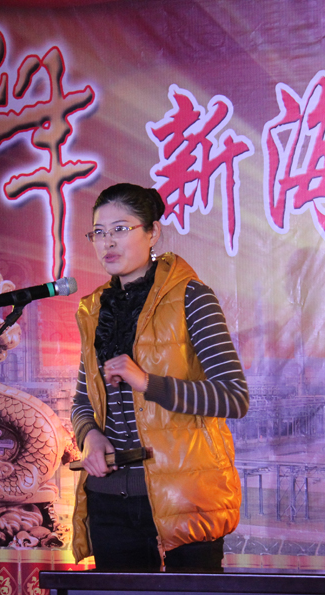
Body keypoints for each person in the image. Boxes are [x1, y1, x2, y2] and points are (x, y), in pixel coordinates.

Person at [70, 182, 249, 571]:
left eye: (121, 229)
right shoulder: (93, 309)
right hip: (109, 501)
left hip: (184, 496)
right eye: (98, 232)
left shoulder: (191, 297)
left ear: (152, 232)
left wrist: (147, 383)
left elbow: (233, 397)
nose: (107, 242)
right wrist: (91, 437)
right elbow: (83, 402)